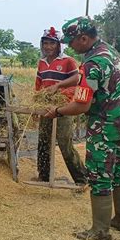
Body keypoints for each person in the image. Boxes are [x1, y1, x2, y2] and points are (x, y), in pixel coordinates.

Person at [45, 17, 120, 240]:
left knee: (99, 175)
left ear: (84, 38)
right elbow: (88, 81)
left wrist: (56, 111)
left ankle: (100, 232)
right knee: (118, 172)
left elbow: (81, 104)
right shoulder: (108, 52)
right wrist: (62, 85)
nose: (70, 46)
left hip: (105, 126)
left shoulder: (92, 63)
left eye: (72, 41)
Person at [35, 27, 87, 185]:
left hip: (63, 106)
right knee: (44, 141)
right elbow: (38, 85)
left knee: (64, 143)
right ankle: (44, 176)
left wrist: (59, 88)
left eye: (52, 43)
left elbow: (78, 78)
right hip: (45, 106)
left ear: (59, 45)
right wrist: (36, 103)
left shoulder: (68, 61)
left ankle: (81, 179)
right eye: (45, 43)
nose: (48, 47)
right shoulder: (42, 63)